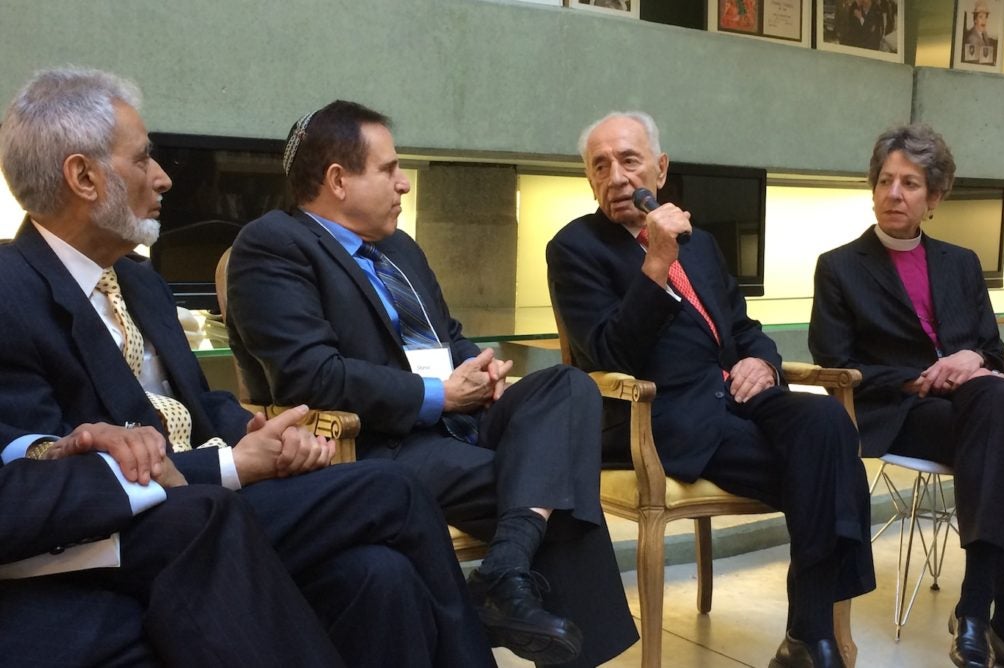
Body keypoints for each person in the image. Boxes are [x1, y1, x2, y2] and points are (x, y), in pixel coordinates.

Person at [0, 67, 496, 668]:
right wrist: (232, 465)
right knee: (395, 489)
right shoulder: (11, 289)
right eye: (143, 159)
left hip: (217, 493)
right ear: (83, 176)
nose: (163, 178)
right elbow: (37, 467)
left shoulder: (138, 281)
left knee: (378, 573)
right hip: (156, 523)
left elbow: (194, 405)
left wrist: (256, 432)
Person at [226, 100, 638, 667]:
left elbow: (446, 338)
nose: (404, 186)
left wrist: (480, 369)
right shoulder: (273, 244)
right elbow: (309, 375)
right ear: (338, 181)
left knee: (568, 386)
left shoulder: (399, 247)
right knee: (554, 487)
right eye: (390, 170)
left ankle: (502, 572)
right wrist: (438, 396)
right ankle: (530, 597)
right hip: (381, 446)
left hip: (460, 423)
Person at [546, 111, 875, 668]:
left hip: (740, 401)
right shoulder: (575, 248)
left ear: (661, 167)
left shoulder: (698, 242)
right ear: (589, 180)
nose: (616, 177)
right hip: (661, 419)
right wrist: (654, 262)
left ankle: (805, 633)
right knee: (828, 473)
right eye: (600, 166)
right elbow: (609, 354)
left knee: (829, 425)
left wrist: (762, 363)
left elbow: (744, 328)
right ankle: (813, 636)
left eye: (629, 160)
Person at [809, 123, 1004, 668]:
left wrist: (972, 360)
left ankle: (983, 615)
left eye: (909, 183)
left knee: (997, 406)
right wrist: (922, 377)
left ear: (934, 198)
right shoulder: (839, 267)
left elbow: (993, 353)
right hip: (896, 411)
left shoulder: (961, 262)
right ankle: (989, 612)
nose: (893, 194)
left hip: (973, 411)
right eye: (885, 181)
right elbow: (834, 364)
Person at [0, 412, 344, 666]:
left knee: (374, 570)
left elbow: (204, 401)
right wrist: (224, 464)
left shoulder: (148, 310)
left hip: (163, 482)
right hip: (131, 500)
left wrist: (265, 434)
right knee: (391, 487)